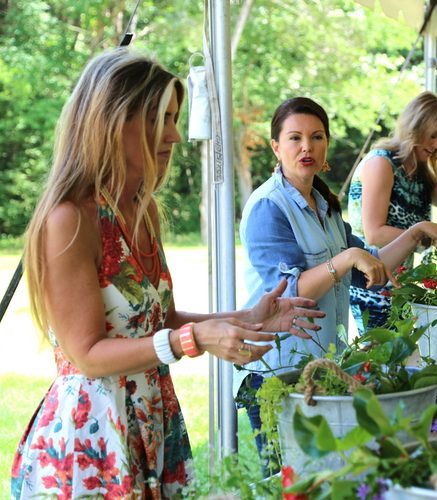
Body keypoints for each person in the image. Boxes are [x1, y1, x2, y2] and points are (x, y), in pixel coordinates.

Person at [9, 49, 323, 499]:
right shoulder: (69, 219)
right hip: (96, 435)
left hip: (152, 415)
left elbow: (163, 319)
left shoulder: (142, 211)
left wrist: (249, 318)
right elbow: (88, 355)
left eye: (175, 118)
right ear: (114, 121)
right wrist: (190, 343)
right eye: (162, 119)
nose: (175, 136)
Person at [233, 96, 437, 470]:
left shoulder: (325, 204)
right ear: (276, 147)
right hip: (275, 372)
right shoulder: (268, 206)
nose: (307, 146)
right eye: (295, 138)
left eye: (317, 136)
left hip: (321, 367)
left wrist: (416, 232)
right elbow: (286, 296)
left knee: (327, 478)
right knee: (288, 480)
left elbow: (367, 269)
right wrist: (343, 259)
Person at [347, 91, 437, 332]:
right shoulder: (381, 163)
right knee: (380, 362)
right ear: (414, 127)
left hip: (400, 284)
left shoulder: (422, 173)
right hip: (370, 283)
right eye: (433, 135)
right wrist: (426, 236)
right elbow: (374, 234)